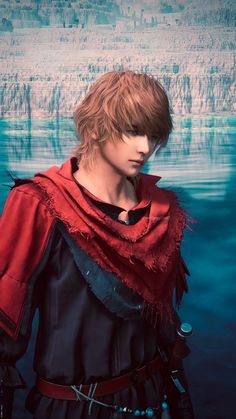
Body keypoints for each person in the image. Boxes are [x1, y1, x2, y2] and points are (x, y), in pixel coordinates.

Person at [0, 71, 195, 419]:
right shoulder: (38, 204)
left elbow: (164, 321)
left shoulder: (161, 211)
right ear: (94, 128)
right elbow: (5, 331)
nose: (145, 147)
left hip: (153, 397)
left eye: (152, 134)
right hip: (75, 407)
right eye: (133, 131)